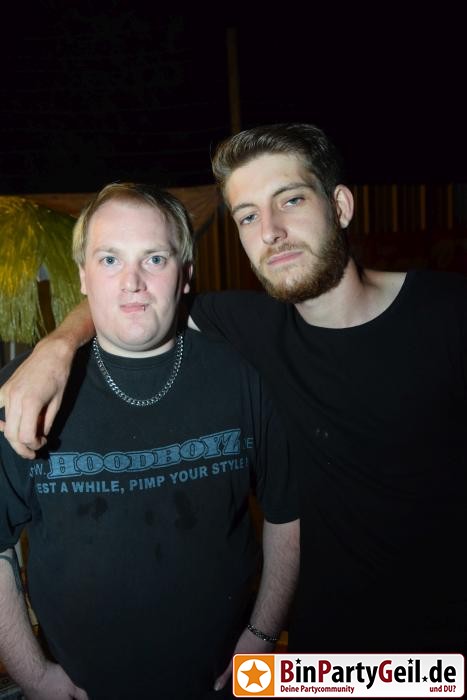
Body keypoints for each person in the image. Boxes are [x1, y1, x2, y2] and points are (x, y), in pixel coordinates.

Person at [1, 123, 466, 657]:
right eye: (248, 216)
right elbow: (132, 299)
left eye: (290, 200)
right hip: (319, 660)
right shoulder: (250, 326)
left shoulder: (449, 316)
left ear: (340, 206)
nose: (271, 231)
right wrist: (54, 349)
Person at [0, 182, 299, 700]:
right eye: (110, 259)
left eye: (154, 259)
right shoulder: (26, 390)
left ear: (185, 274)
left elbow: (287, 513)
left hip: (225, 682)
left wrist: (262, 636)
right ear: (83, 276)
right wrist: (35, 675)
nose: (132, 282)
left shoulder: (243, 375)